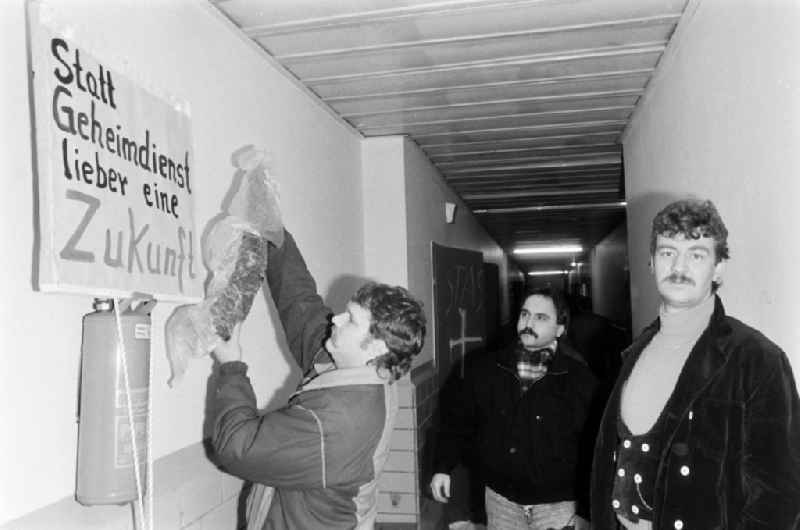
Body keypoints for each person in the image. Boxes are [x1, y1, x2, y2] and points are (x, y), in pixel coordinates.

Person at [591, 198, 800, 529]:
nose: (679, 266)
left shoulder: (757, 360)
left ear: (718, 268)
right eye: (667, 252)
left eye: (697, 255)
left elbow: (779, 499)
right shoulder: (636, 351)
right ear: (651, 262)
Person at [209, 230, 426, 530]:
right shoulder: (354, 368)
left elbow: (236, 446)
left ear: (377, 346)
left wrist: (231, 366)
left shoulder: (338, 421)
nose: (336, 319)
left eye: (351, 319)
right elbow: (301, 305)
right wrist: (275, 235)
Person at [431, 285, 599, 530]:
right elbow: (458, 421)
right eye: (524, 314)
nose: (528, 322)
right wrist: (443, 467)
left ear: (560, 329)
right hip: (501, 500)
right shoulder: (487, 369)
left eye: (541, 318)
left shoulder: (579, 379)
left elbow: (593, 447)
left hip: (557, 504)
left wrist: (586, 508)